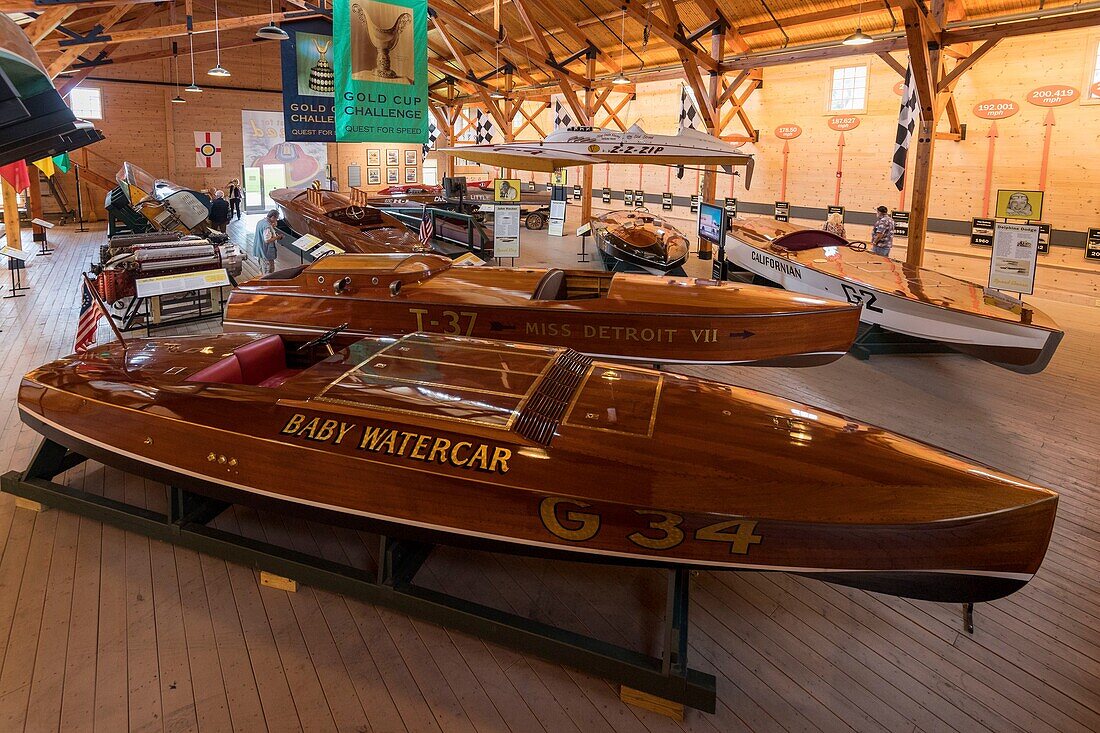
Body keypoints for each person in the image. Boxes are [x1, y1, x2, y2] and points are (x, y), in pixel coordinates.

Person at [254, 209, 283, 275]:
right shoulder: (267, 226)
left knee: (261, 267)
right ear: (272, 217)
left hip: (259, 248)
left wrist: (272, 227)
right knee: (269, 269)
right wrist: (278, 237)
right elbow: (267, 240)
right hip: (265, 250)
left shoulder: (260, 222)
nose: (276, 220)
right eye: (276, 219)